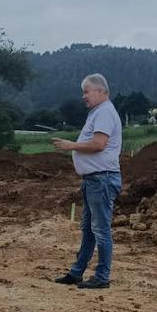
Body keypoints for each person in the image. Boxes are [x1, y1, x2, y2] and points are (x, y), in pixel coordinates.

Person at [51, 73, 122, 289]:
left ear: (101, 91)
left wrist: (71, 146)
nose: (84, 96)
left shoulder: (105, 113)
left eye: (86, 91)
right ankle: (77, 272)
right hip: (94, 180)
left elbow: (99, 143)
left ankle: (102, 277)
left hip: (102, 179)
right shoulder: (98, 112)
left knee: (100, 230)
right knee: (90, 230)